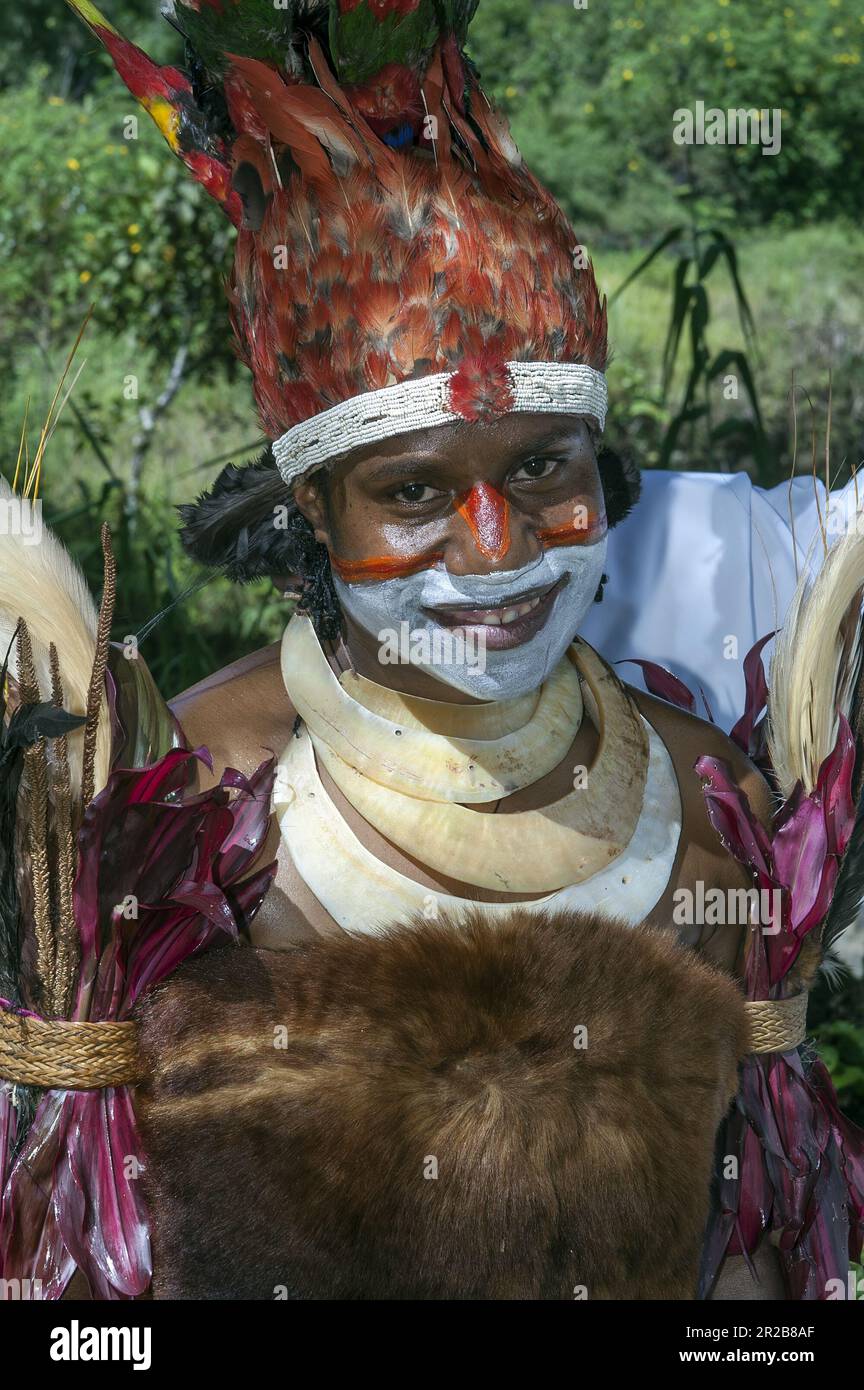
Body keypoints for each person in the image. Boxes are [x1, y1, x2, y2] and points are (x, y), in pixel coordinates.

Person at [7, 0, 857, 1300]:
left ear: (604, 472)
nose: (495, 544)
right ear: (311, 512)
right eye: (412, 493)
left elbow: (749, 1254)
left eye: (542, 470)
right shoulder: (169, 818)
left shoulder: (713, 804)